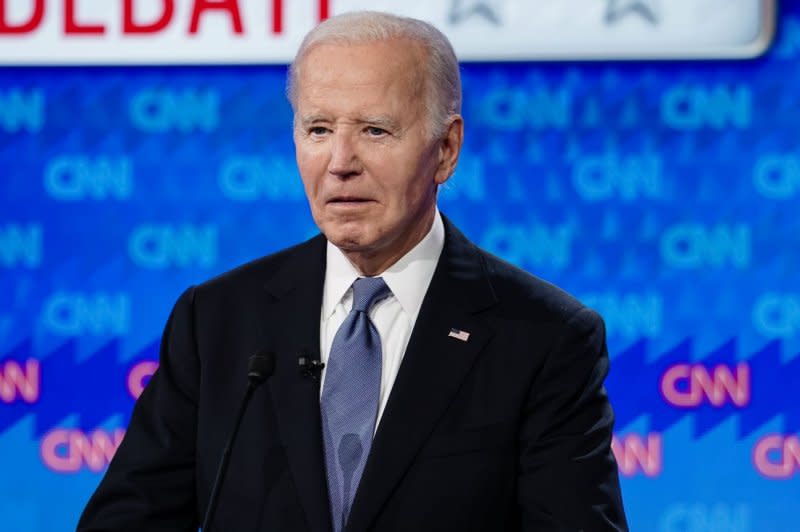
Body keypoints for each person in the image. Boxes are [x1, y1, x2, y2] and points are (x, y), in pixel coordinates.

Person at [78, 11, 627, 532]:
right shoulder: (216, 319)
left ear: (446, 149)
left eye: (375, 131)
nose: (340, 161)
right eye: (318, 129)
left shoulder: (544, 338)